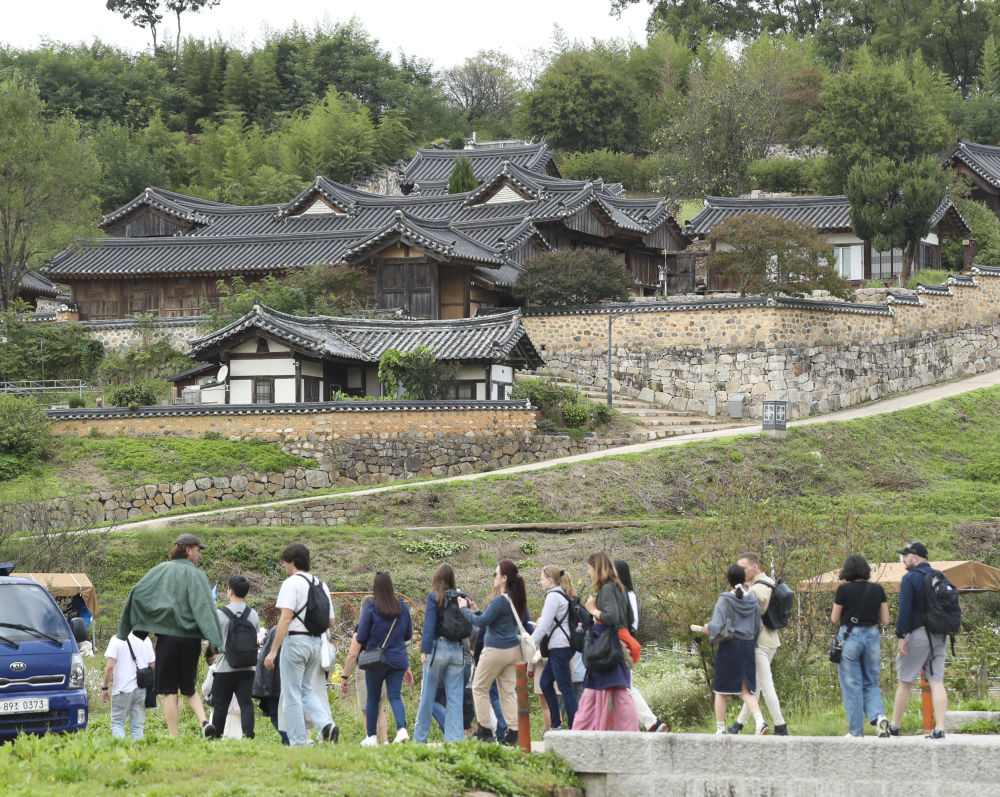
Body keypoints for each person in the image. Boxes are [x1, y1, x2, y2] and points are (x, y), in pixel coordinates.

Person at [118, 532, 223, 738]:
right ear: (188, 550)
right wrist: (216, 641)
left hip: (167, 640)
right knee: (189, 688)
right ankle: (203, 722)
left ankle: (174, 737)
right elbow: (206, 608)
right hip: (191, 641)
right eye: (199, 550)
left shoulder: (160, 570)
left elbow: (138, 592)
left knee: (169, 691)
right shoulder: (197, 575)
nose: (200, 555)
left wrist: (136, 626)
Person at [263, 542, 338, 748]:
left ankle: (297, 743)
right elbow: (331, 622)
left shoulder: (291, 583)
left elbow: (285, 618)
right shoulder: (321, 585)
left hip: (295, 642)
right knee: (306, 690)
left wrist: (273, 651)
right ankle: (326, 724)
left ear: (292, 562)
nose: (284, 566)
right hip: (316, 643)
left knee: (292, 694)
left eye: (285, 562)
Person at [459, 560, 528, 743]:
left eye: (496, 574)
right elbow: (492, 621)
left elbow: (481, 624)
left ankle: (485, 730)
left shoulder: (500, 600)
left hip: (496, 650)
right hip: (513, 651)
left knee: (479, 687)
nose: (494, 577)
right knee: (508, 692)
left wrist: (463, 610)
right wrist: (476, 611)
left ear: (504, 578)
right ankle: (514, 732)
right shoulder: (514, 599)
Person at [699, 563, 768, 735]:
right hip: (748, 647)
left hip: (730, 648)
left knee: (721, 690)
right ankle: (760, 722)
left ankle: (720, 729)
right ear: (744, 580)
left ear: (727, 580)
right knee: (745, 690)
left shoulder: (725, 599)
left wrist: (708, 628)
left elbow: (718, 625)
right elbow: (756, 627)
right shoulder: (752, 600)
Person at [573, 551, 639, 731]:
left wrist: (593, 610)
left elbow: (612, 616)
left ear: (597, 568)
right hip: (615, 646)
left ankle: (582, 731)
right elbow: (628, 618)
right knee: (608, 692)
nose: (588, 573)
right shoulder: (619, 588)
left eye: (589, 568)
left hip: (606, 646)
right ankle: (593, 729)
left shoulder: (607, 589)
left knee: (609, 693)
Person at [889, 541, 948, 739]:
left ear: (915, 557)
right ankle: (939, 728)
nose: (903, 560)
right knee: (937, 681)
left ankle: (895, 726)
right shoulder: (939, 576)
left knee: (905, 681)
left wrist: (900, 636)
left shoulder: (910, 578)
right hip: (940, 635)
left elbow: (904, 610)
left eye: (905, 556)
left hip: (918, 634)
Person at [831, 554, 891, 738]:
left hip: (850, 638)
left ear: (847, 571)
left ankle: (856, 731)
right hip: (872, 636)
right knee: (871, 682)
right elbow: (885, 620)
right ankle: (879, 716)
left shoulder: (843, 590)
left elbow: (834, 618)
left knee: (852, 685)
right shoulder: (878, 589)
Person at [728, 552, 787, 735]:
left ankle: (780, 726)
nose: (741, 571)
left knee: (766, 685)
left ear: (755, 567)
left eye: (743, 568)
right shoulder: (765, 582)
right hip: (769, 639)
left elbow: (754, 606)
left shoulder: (760, 587)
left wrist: (739, 595)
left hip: (759, 642)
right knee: (758, 685)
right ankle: (738, 724)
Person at [356, 571, 413, 746]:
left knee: (373, 698)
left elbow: (361, 636)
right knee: (395, 696)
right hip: (398, 659)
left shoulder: (371, 607)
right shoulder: (402, 607)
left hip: (376, 660)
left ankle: (372, 737)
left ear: (375, 587)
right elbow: (408, 634)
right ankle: (402, 730)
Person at [414, 564, 467, 743]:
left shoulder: (434, 596)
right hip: (457, 650)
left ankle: (420, 738)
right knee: (455, 698)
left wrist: (424, 650)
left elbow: (429, 624)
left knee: (427, 696)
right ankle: (455, 741)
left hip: (438, 649)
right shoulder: (461, 597)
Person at [614, 560, 669, 733]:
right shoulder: (629, 594)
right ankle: (639, 725)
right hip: (630, 640)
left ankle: (651, 722)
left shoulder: (623, 595)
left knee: (625, 687)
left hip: (624, 641)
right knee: (623, 687)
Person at [204, 575, 259, 739]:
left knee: (221, 705)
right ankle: (248, 735)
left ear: (230, 591)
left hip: (224, 667)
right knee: (246, 703)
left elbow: (214, 641)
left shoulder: (220, 614)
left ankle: (215, 737)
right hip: (248, 667)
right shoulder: (253, 614)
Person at [529, 565, 578, 731]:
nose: (540, 582)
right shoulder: (560, 595)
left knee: (565, 688)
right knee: (545, 683)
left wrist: (529, 644)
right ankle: (556, 724)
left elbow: (544, 625)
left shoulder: (553, 596)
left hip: (559, 647)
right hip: (559, 647)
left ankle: (575, 727)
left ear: (550, 580)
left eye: (542, 579)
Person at [101, 630, 155, 740]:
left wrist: (105, 687)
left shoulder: (116, 639)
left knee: (117, 724)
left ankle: (121, 749)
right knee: (137, 727)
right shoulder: (146, 639)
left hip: (122, 689)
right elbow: (152, 664)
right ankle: (138, 750)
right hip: (141, 689)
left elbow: (110, 666)